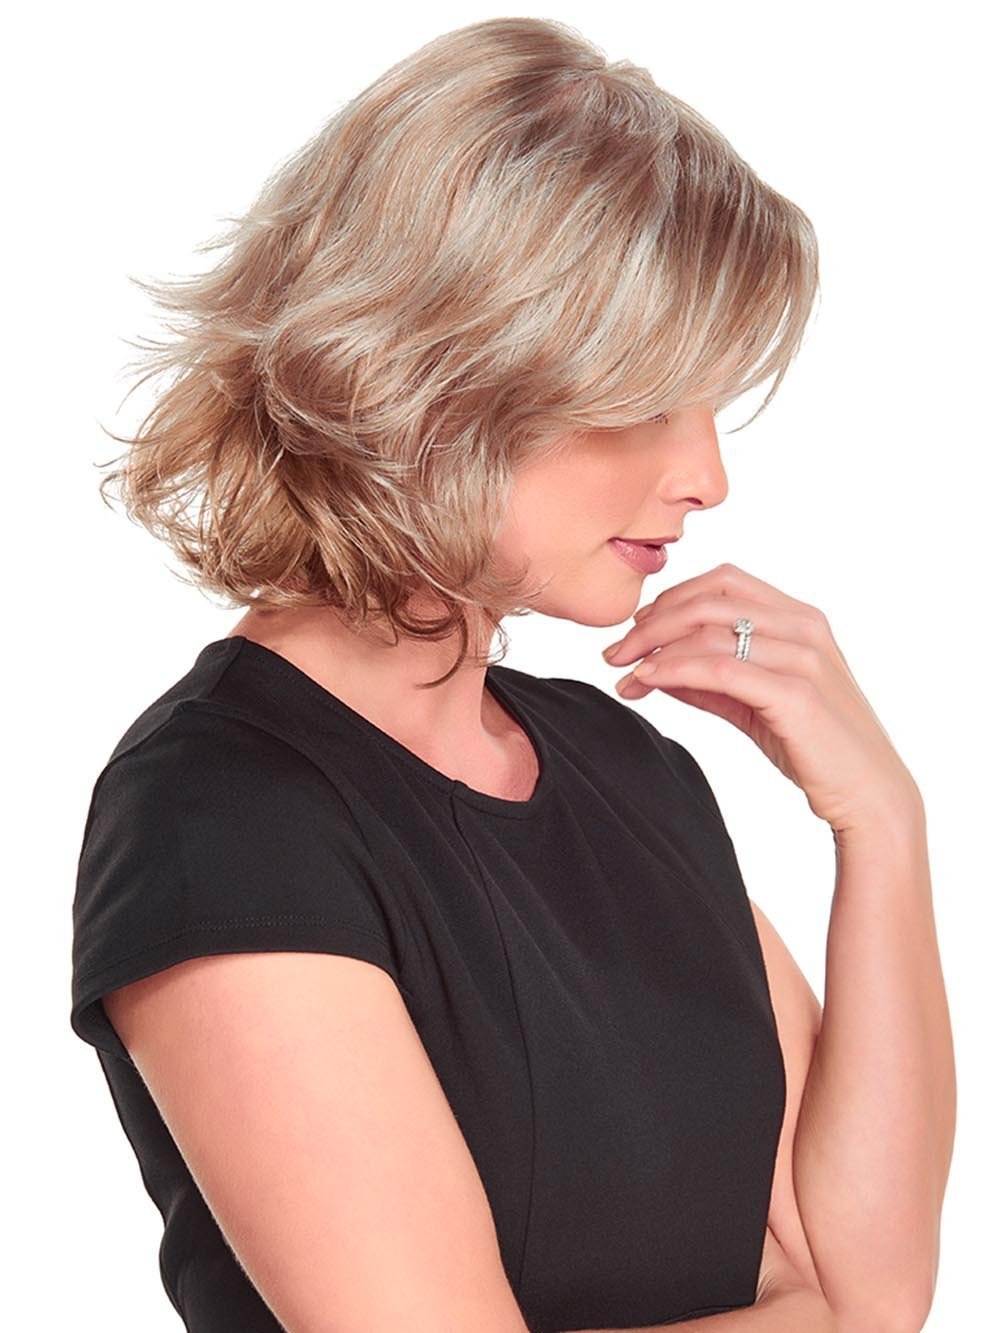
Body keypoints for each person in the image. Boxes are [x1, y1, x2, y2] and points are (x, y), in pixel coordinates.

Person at [69, 16, 953, 1333]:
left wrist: (882, 823)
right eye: (647, 399)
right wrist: (811, 1318)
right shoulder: (222, 814)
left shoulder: (626, 766)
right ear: (443, 375)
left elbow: (879, 1289)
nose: (709, 476)